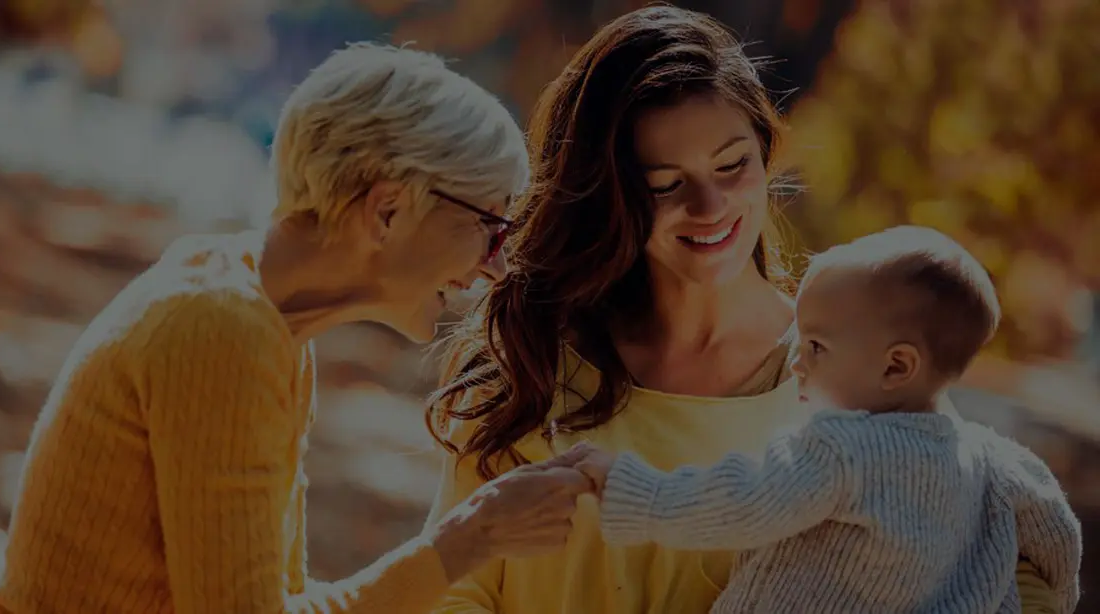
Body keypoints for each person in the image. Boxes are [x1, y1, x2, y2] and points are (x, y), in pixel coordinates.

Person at [424, 6, 1064, 613]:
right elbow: (452, 586)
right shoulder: (534, 365)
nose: (710, 207)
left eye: (733, 165)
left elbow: (991, 565)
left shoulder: (863, 373)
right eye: (665, 185)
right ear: (608, 196)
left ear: (765, 156)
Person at [0, 43, 593, 614]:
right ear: (387, 210)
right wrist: (466, 541)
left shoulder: (263, 317)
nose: (497, 265)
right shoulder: (220, 329)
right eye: (491, 227)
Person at [564, 226, 1083, 613]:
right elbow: (1059, 540)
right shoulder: (992, 458)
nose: (796, 361)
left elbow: (742, 502)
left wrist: (632, 488)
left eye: (816, 345)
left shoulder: (840, 451)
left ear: (896, 365)